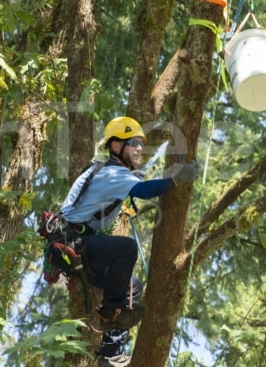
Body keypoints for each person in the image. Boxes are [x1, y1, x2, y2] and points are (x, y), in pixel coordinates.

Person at [58, 116, 199, 367]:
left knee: (131, 286)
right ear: (115, 146)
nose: (139, 148)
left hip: (78, 249)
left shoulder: (106, 171)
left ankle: (110, 351)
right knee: (127, 247)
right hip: (74, 243)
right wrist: (178, 179)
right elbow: (143, 191)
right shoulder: (113, 172)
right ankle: (109, 312)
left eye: (140, 144)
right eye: (133, 142)